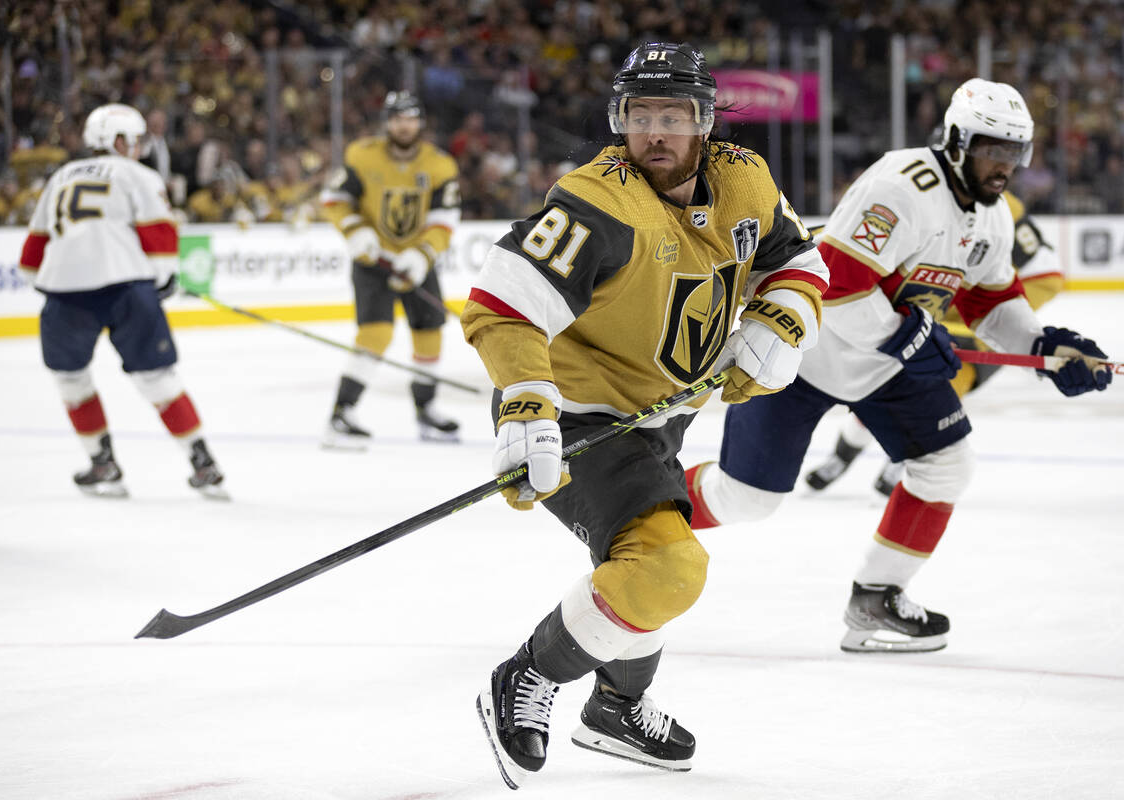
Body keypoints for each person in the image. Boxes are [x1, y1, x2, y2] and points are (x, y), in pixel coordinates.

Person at [461, 42, 828, 788]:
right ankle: (528, 676)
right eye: (640, 115)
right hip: (579, 420)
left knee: (637, 563)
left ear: (706, 124)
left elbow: (798, 261)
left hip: (657, 420)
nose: (655, 132)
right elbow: (501, 307)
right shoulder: (600, 200)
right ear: (618, 121)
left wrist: (781, 319)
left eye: (673, 115)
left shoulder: (744, 181)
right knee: (667, 563)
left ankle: (617, 708)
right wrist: (526, 410)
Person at [685, 78, 1111, 654]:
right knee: (745, 499)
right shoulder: (901, 186)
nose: (1003, 165)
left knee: (947, 466)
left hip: (882, 362)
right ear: (957, 141)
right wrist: (909, 341)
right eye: (992, 149)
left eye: (1014, 153)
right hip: (802, 350)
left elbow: (988, 301)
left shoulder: (992, 215)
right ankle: (642, 514)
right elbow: (836, 286)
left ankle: (875, 598)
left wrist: (1045, 348)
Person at [17, 103, 227, 500]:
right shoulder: (138, 174)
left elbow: (31, 258)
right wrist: (162, 278)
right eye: (129, 140)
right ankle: (202, 460)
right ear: (110, 140)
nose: (136, 148)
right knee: (157, 378)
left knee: (70, 379)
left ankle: (102, 463)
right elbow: (160, 233)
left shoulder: (60, 176)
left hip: (66, 293)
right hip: (127, 287)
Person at [805, 189, 1064, 496]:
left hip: (976, 313)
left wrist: (988, 322)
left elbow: (1046, 273)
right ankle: (843, 455)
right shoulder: (917, 195)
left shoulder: (998, 206)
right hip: (936, 304)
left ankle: (903, 461)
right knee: (879, 377)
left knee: (943, 384)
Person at [320, 90, 462, 447]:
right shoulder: (362, 156)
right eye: (398, 118)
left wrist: (423, 254)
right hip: (373, 260)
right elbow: (334, 200)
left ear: (420, 122)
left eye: (411, 118)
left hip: (417, 259)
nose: (405, 125)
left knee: (430, 331)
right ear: (388, 122)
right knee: (376, 334)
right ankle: (342, 413)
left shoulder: (439, 165)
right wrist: (356, 230)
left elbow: (444, 218)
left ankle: (426, 409)